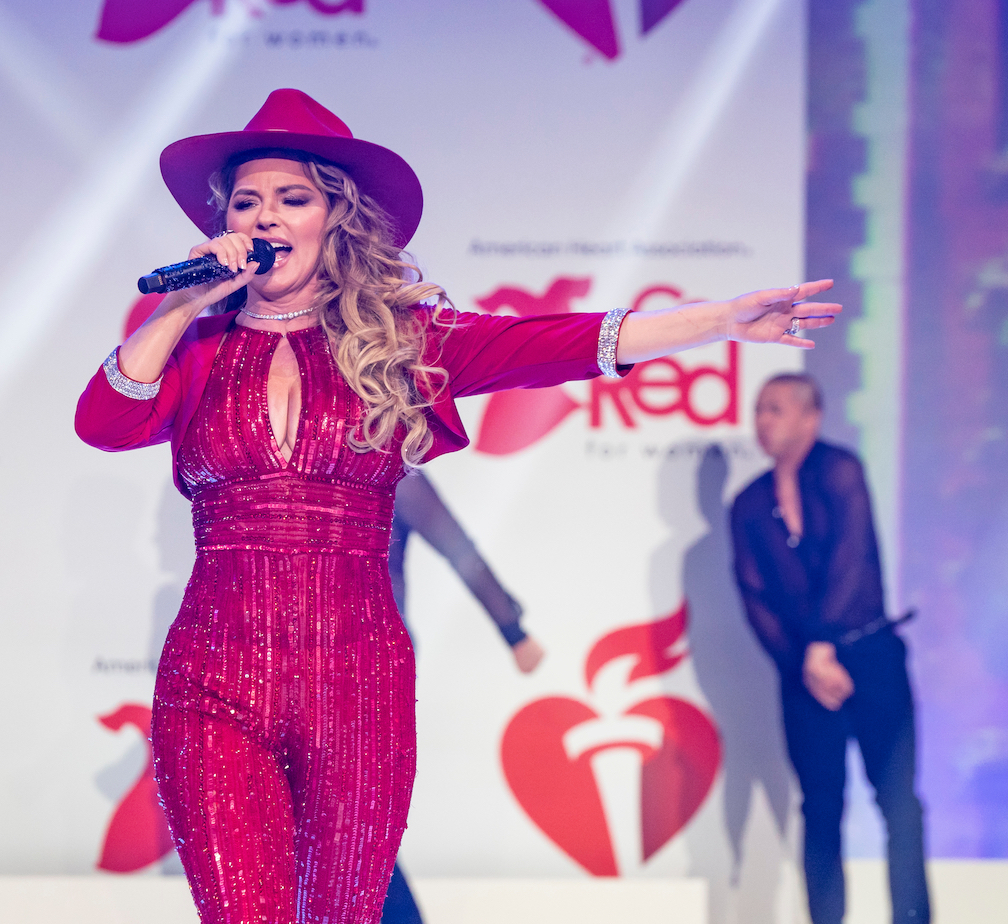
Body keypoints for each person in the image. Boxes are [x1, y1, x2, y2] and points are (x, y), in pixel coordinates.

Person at [74, 88, 839, 924]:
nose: (265, 218)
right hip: (213, 686)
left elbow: (554, 344)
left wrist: (719, 320)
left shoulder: (396, 341)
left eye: (292, 199)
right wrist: (183, 302)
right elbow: (102, 423)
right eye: (247, 202)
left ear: (336, 216)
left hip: (355, 688)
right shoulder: (194, 346)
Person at [729, 374, 929, 924]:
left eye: (775, 409)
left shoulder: (841, 471)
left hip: (870, 656)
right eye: (759, 410)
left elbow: (851, 560)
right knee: (820, 808)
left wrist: (822, 643)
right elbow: (754, 596)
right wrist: (805, 663)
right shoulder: (748, 504)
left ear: (810, 418)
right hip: (803, 674)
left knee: (899, 804)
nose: (762, 421)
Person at [383, 470, 542, 924]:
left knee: (352, 818)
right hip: (298, 664)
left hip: (373, 667)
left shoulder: (392, 470)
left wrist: (512, 630)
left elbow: (458, 549)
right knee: (333, 819)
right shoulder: (298, 464)